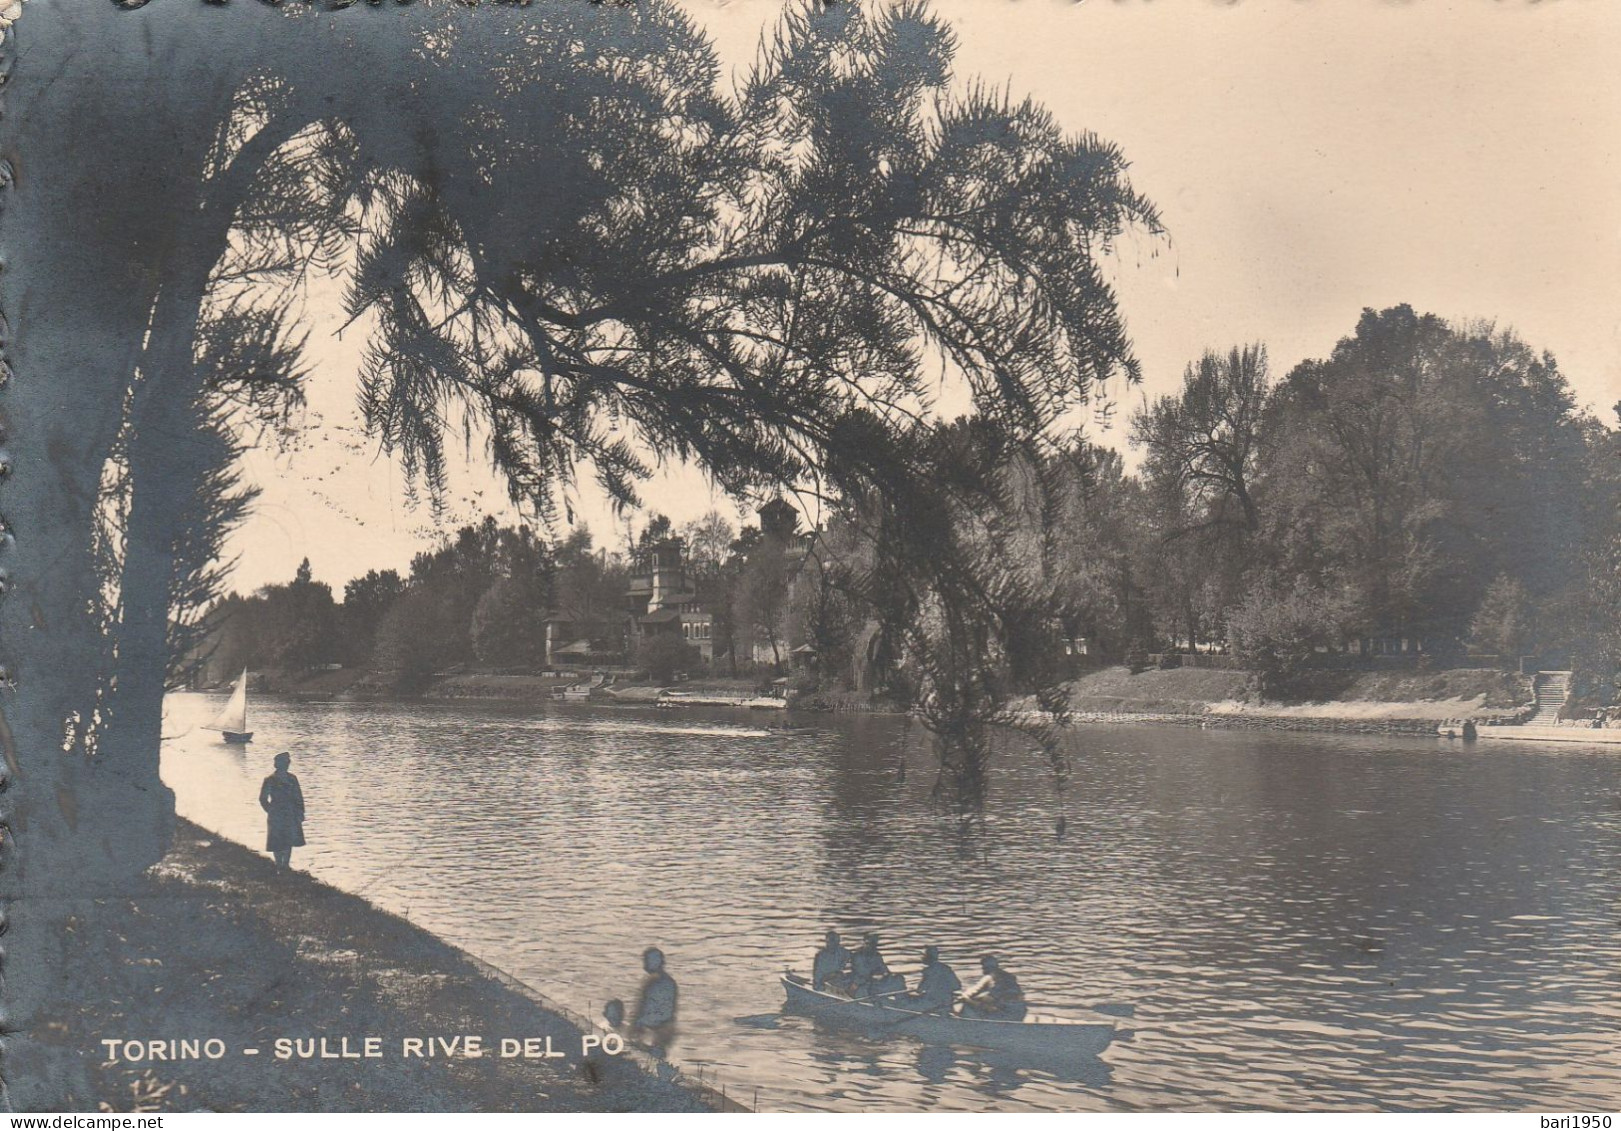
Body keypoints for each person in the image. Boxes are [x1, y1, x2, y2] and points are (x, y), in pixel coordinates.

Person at [259, 751, 306, 870]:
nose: (287, 765)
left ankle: (286, 864)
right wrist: (270, 811)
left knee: (289, 838)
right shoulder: (270, 780)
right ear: (278, 764)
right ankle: (278, 864)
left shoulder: (292, 779)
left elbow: (298, 797)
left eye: (287, 762)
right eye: (284, 763)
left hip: (290, 813)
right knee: (277, 839)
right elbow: (263, 798)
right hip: (276, 814)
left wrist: (300, 812)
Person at [632, 946, 679, 1051]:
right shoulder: (655, 980)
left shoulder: (662, 982)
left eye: (648, 960)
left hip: (656, 1032)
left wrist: (639, 1026)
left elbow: (663, 1012)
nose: (645, 964)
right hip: (654, 1030)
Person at [959, 955, 1026, 1021]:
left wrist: (966, 999)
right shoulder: (1010, 977)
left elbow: (976, 994)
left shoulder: (990, 978)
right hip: (1020, 1014)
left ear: (984, 967)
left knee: (969, 1004)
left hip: (1004, 1016)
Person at [850, 932, 905, 999]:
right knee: (872, 987)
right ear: (864, 943)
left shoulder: (877, 955)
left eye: (873, 944)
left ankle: (901, 1000)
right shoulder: (858, 955)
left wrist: (886, 974)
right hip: (862, 982)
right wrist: (875, 976)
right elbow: (862, 972)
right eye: (868, 944)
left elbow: (884, 968)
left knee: (899, 978)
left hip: (877, 981)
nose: (870, 947)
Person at [907, 946, 962, 1013]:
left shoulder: (928, 971)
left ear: (927, 957)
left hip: (933, 1004)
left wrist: (913, 990)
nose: (922, 957)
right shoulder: (946, 968)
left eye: (924, 955)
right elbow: (957, 986)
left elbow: (919, 990)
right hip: (947, 1003)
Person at [813, 930, 854, 994]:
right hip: (824, 983)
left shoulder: (842, 952)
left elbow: (855, 959)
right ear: (827, 942)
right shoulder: (820, 955)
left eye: (837, 942)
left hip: (837, 979)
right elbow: (817, 976)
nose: (834, 944)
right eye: (831, 941)